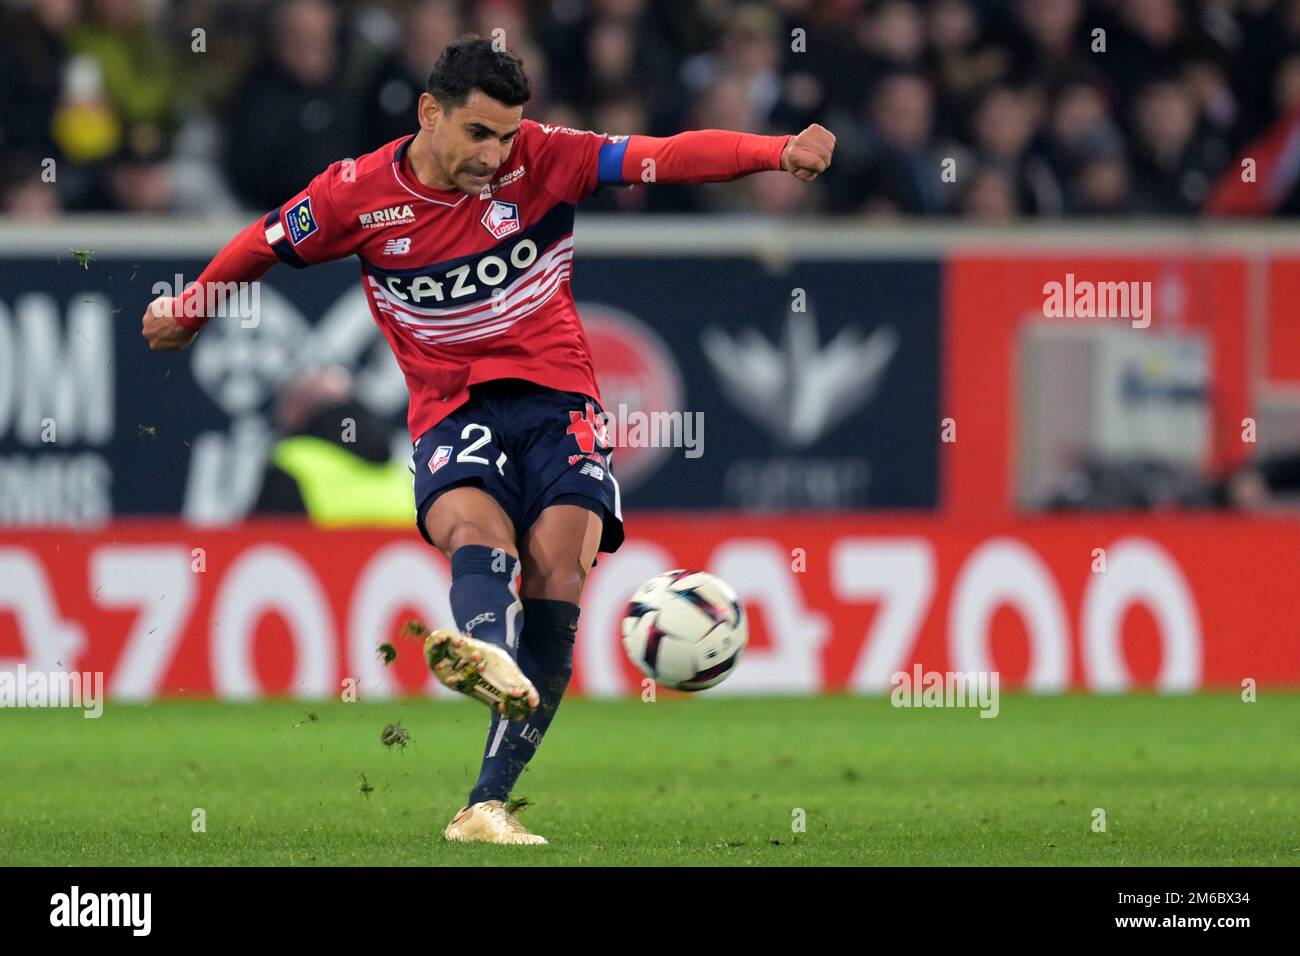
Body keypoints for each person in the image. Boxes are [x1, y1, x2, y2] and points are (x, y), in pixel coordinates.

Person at [140, 35, 834, 845]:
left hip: (558, 400)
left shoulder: (544, 159)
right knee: (475, 530)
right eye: (479, 134)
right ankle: (484, 650)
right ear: (430, 113)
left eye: (507, 135)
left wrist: (774, 150)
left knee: (558, 574)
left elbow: (665, 156)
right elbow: (265, 240)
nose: (495, 154)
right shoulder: (357, 194)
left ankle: (485, 802)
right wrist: (192, 305)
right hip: (450, 408)